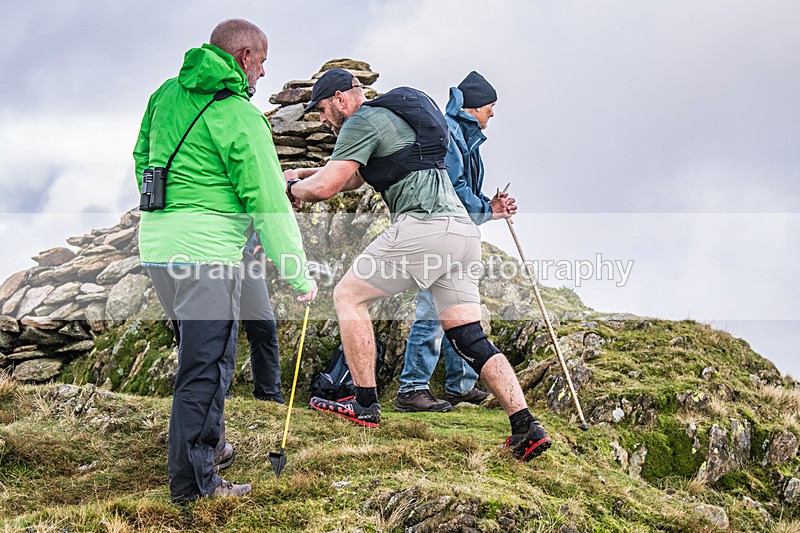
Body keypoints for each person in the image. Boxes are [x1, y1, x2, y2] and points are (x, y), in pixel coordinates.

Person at [284, 69, 551, 462]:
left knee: (347, 296)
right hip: (462, 232)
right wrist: (304, 174)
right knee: (468, 336)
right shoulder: (390, 117)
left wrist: (291, 189)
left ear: (341, 98)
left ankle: (364, 404)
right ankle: (526, 426)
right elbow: (352, 179)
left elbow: (328, 187)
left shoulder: (359, 120)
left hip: (423, 226)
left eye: (322, 110)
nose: (323, 119)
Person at [133, 19, 317, 503]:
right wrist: (296, 271)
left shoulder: (164, 95)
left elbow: (142, 160)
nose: (262, 75)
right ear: (243, 58)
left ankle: (207, 450)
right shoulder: (238, 114)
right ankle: (196, 488)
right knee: (206, 367)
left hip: (156, 250)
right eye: (261, 63)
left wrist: (173, 213)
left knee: (201, 360)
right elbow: (268, 199)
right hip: (208, 256)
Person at [395, 71, 515, 413]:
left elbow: (465, 189)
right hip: (437, 232)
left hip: (455, 234)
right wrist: (486, 208)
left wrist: (489, 207)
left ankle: (460, 386)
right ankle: (412, 388)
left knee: (461, 309)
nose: (492, 112)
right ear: (475, 106)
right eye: (490, 105)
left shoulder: (465, 135)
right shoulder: (449, 134)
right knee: (432, 310)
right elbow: (451, 189)